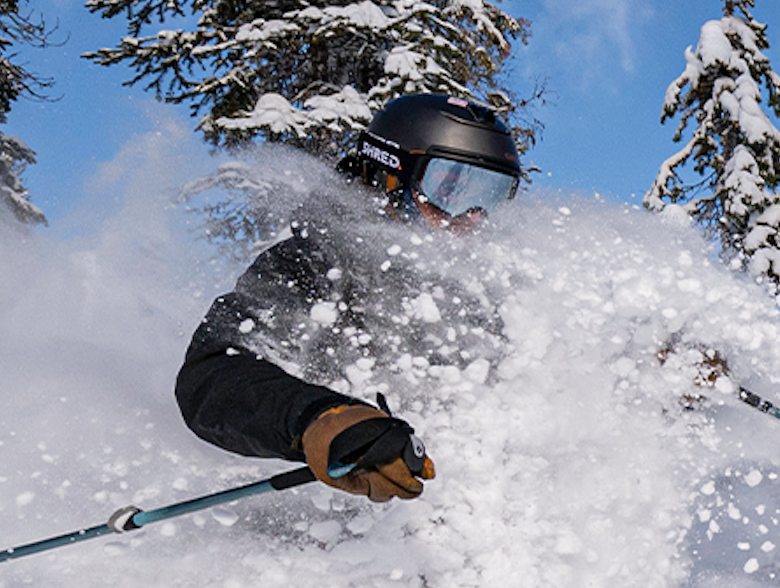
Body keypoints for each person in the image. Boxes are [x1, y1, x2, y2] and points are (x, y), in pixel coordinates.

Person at [175, 94, 524, 503]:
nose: (470, 217)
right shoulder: (314, 263)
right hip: (333, 525)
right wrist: (321, 418)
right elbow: (214, 377)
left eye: (491, 195)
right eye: (449, 188)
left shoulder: (484, 290)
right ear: (388, 176)